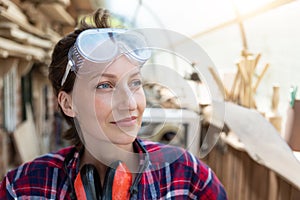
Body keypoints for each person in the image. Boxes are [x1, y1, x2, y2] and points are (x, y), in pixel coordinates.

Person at [0, 8, 227, 199]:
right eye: (105, 86)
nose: (129, 103)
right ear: (68, 103)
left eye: (135, 82)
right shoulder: (22, 188)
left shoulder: (188, 177)